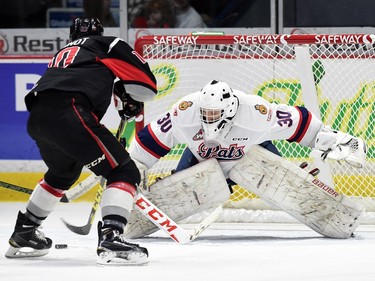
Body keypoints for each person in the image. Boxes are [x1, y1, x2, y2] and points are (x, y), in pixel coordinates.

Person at [5, 17, 157, 265]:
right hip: (70, 112)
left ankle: (25, 232)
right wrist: (129, 95)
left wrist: (120, 90)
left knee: (62, 173)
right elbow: (147, 86)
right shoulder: (107, 44)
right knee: (124, 171)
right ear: (99, 32)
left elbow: (82, 79)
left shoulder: (64, 54)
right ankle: (112, 237)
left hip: (38, 117)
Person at [128, 79, 367, 224]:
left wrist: (335, 140)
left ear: (230, 109)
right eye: (206, 114)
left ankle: (295, 175)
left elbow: (299, 122)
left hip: (253, 158)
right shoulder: (185, 113)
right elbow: (148, 141)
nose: (208, 119)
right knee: (168, 201)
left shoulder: (255, 114)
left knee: (284, 183)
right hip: (204, 164)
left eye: (214, 114)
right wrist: (133, 169)